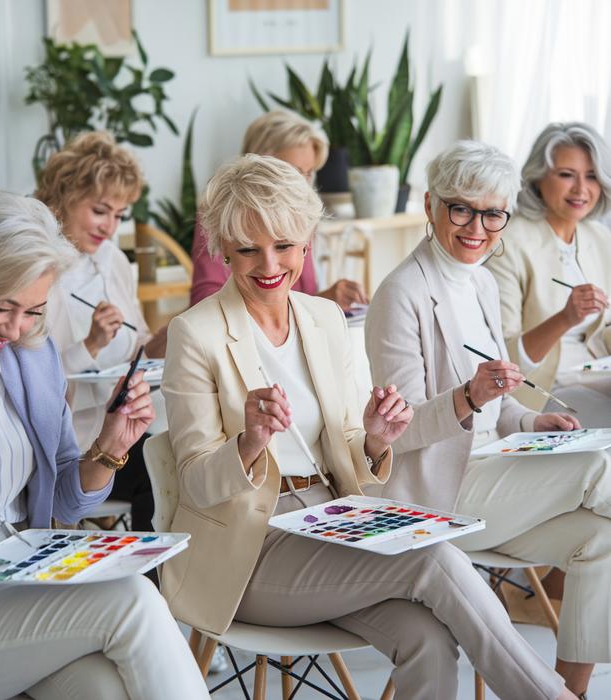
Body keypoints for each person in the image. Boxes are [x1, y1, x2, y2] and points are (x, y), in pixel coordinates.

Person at [161, 154, 573, 700]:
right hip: (250, 555)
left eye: (283, 245)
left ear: (306, 241)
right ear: (223, 250)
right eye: (247, 249)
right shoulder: (195, 334)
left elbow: (353, 452)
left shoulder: (323, 319)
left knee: (426, 636)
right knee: (433, 556)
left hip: (334, 523)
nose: (268, 264)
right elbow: (194, 482)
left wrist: (377, 437)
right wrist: (250, 441)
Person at [0, 192, 209, 700]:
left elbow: (68, 500)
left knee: (104, 690)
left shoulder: (31, 356)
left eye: (32, 310)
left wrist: (109, 449)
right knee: (134, 599)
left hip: (25, 587)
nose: (13, 328)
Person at [366, 140, 611, 699]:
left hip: (493, 473)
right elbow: (397, 435)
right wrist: (469, 397)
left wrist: (528, 422)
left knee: (600, 537)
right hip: (440, 490)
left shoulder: (478, 278)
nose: (477, 227)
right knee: (599, 468)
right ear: (431, 206)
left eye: (492, 213)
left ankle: (566, 692)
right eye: (462, 209)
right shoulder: (401, 294)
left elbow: (501, 405)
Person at [36, 132, 161, 532]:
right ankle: (151, 583)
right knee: (160, 477)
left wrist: (171, 336)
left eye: (120, 215)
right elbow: (33, 379)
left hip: (120, 430)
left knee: (177, 458)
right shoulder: (38, 269)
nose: (110, 227)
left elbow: (138, 343)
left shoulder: (113, 260)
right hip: (69, 446)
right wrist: (89, 345)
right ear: (64, 197)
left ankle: (164, 585)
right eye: (100, 211)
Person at [485, 122, 611, 426]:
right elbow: (505, 361)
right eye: (567, 175)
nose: (581, 189)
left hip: (597, 378)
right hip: (543, 393)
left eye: (592, 176)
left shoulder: (598, 237)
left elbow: (604, 329)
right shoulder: (508, 244)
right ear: (537, 178)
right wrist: (566, 317)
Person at [190, 110, 367, 311]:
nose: (303, 185)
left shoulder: (302, 213)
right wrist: (323, 301)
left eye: (309, 174)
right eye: (293, 172)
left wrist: (324, 303)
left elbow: (295, 293)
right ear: (258, 164)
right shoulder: (222, 211)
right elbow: (203, 303)